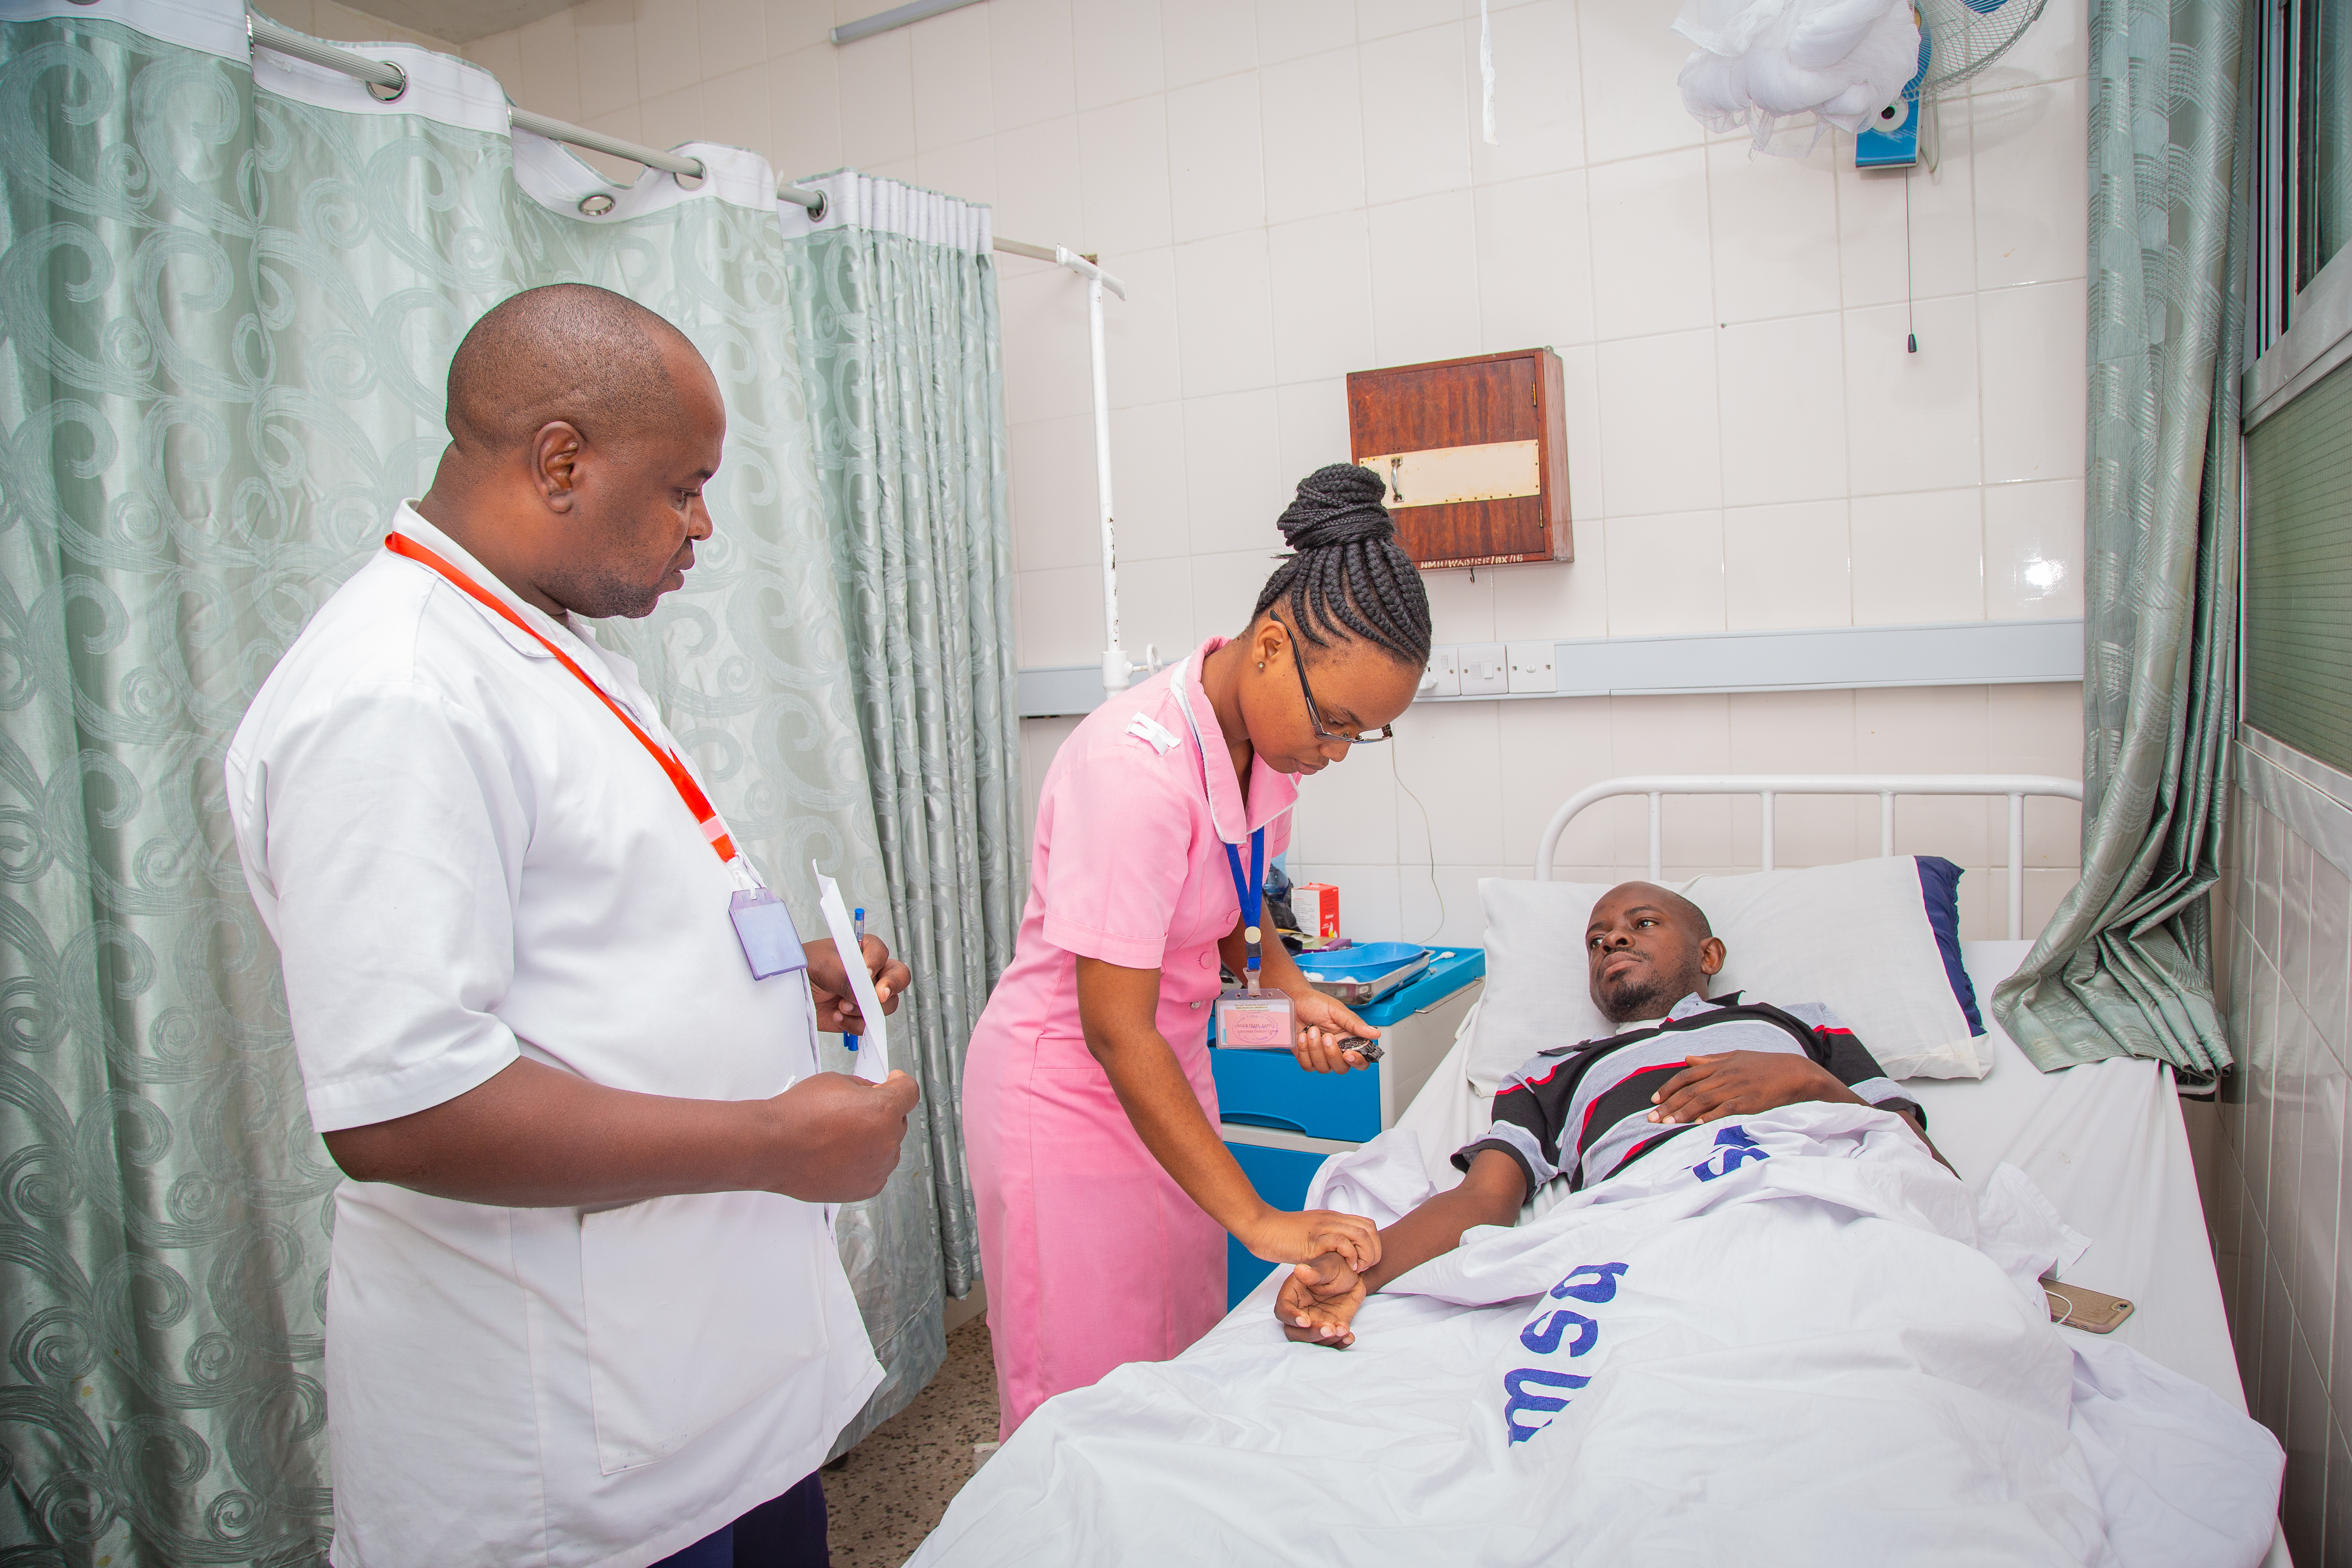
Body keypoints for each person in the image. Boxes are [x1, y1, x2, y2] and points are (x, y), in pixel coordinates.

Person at [225, 283, 918, 1568]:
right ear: (561, 459)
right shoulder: (398, 691)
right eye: (685, 487)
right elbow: (399, 1110)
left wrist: (783, 972)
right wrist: (777, 1139)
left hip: (707, 1389)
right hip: (570, 1444)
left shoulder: (541, 640)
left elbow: (586, 923)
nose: (703, 525)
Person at [963, 464, 1432, 1437]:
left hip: (1164, 1080)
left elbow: (1233, 887)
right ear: (1269, 647)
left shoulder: (1260, 738)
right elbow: (1112, 1027)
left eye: (1365, 735)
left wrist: (1286, 984)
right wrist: (1259, 1218)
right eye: (1336, 722)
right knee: (1085, 1406)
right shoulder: (1132, 771)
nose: (1338, 751)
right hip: (1071, 1093)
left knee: (1171, 1364)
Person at [1276, 880, 1948, 1348]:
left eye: (1642, 925)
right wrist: (1361, 1271)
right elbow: (1483, 1201)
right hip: (1661, 1227)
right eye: (1597, 941)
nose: (1613, 942)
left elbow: (1913, 1159)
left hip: (1816, 1201)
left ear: (1708, 955)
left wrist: (1807, 1082)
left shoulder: (1798, 1027)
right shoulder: (1551, 1072)